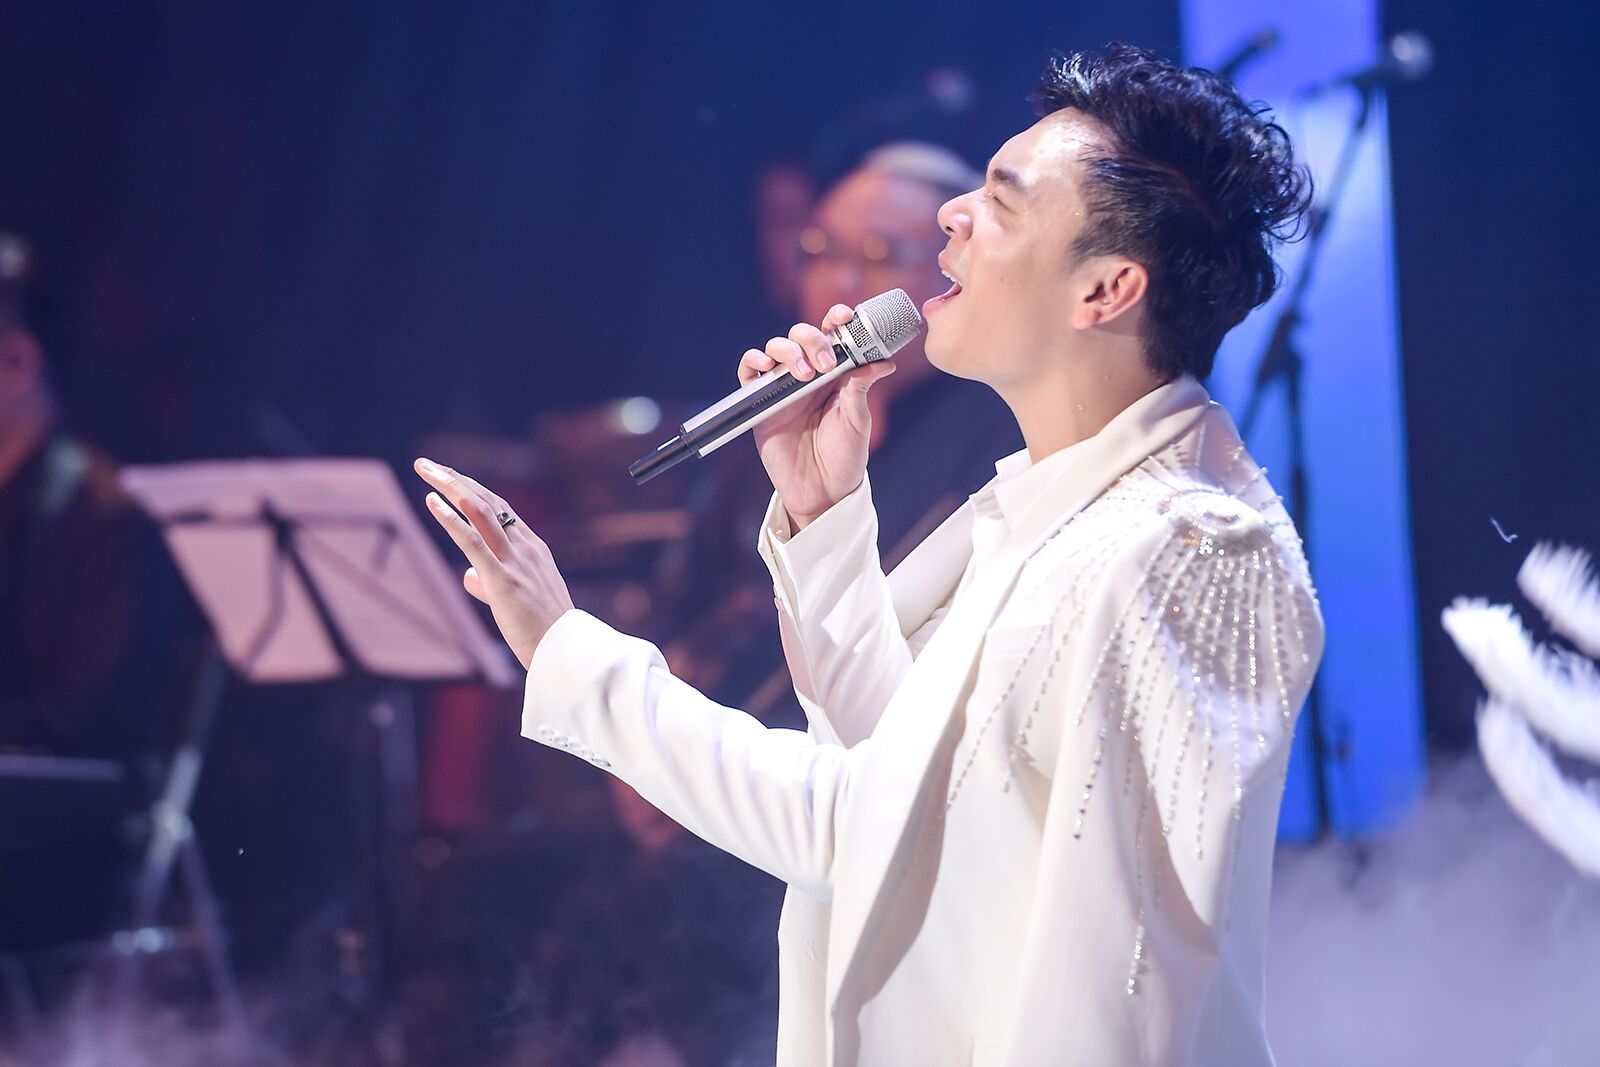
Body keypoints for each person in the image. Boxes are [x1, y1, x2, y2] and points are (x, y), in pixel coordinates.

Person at [415, 44, 1323, 1066]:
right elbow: (896, 764)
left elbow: (875, 834)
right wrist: (822, 512)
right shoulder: (1045, 504)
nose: (953, 217)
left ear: (1105, 288)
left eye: (1001, 201)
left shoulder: (1192, 548)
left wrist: (571, 652)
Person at [655, 143, 1022, 717]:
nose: (840, 279)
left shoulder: (998, 434)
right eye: (820, 250)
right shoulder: (777, 414)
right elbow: (685, 593)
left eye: (881, 254)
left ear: (954, 270)